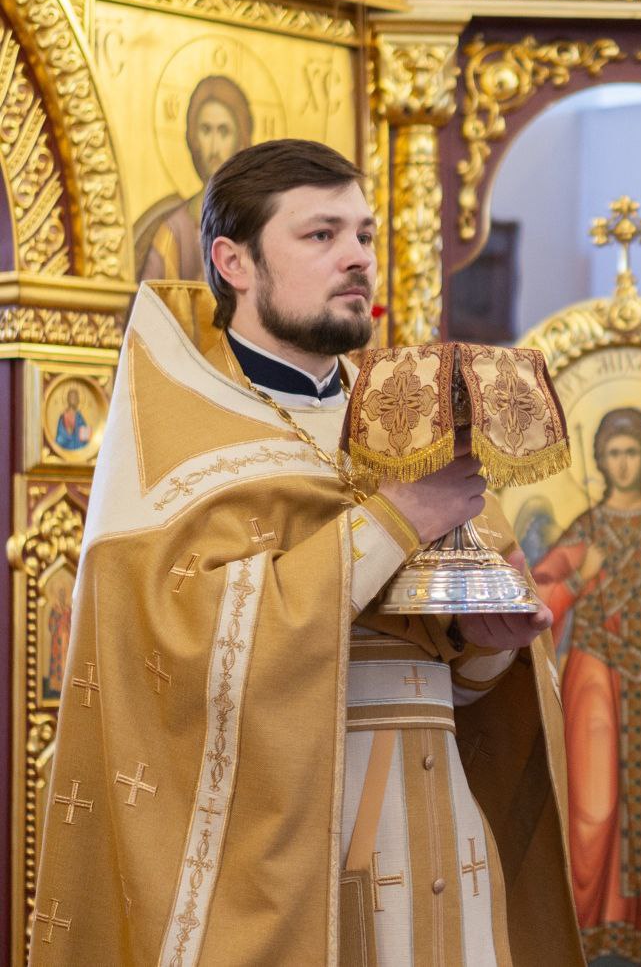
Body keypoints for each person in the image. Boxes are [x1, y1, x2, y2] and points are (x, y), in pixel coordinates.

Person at [30, 139, 584, 966]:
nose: (356, 258)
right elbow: (177, 662)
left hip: (446, 847)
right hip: (293, 872)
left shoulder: (409, 422)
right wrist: (396, 519)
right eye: (321, 235)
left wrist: (489, 651)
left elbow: (462, 686)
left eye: (363, 235)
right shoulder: (178, 436)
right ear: (234, 262)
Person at [531, 408, 641, 966]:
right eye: (613, 453)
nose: (623, 463)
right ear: (601, 460)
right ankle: (579, 932)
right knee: (593, 808)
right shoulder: (585, 532)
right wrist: (577, 577)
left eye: (631, 452)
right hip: (594, 683)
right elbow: (537, 600)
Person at [135, 75, 254, 282]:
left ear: (241, 139)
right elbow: (149, 297)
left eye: (224, 131)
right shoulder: (173, 231)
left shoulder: (256, 225)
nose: (214, 147)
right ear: (193, 137)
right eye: (206, 130)